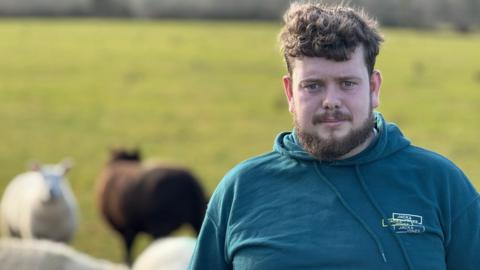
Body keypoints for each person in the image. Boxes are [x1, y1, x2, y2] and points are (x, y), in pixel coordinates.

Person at [189, 2, 480, 270]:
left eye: (347, 83)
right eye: (313, 86)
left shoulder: (440, 185)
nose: (331, 100)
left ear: (373, 88)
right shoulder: (240, 191)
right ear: (290, 93)